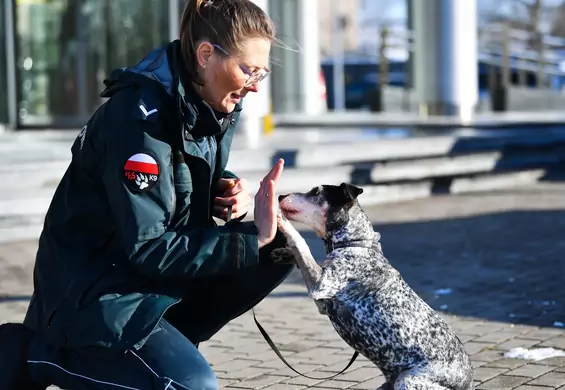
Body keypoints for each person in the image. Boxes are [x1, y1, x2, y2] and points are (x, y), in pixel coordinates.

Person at [0, 0, 295, 388]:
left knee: (279, 249)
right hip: (93, 295)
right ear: (205, 54)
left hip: (146, 283)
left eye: (262, 71)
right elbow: (149, 245)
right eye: (248, 69)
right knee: (191, 386)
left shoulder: (202, 101)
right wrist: (248, 237)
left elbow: (177, 170)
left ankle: (161, 348)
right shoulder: (139, 121)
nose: (256, 84)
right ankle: (37, 352)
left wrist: (223, 187)